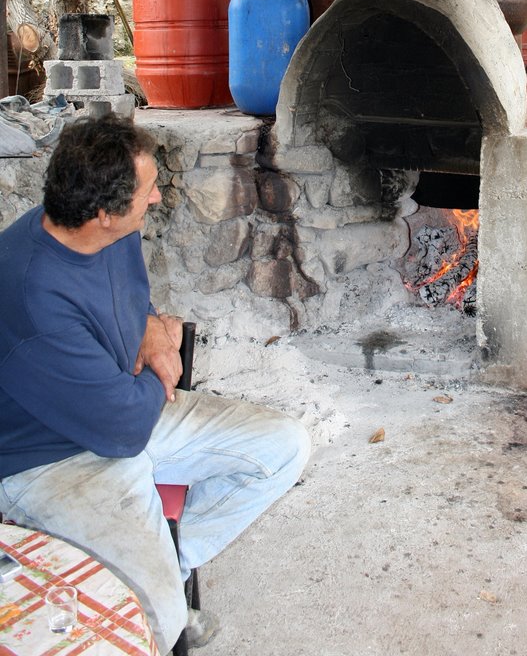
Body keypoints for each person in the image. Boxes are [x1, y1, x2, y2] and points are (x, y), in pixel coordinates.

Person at [0, 113, 311, 653]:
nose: (159, 199)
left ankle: (168, 561)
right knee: (154, 627)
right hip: (53, 459)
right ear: (103, 212)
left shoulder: (103, 232)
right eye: (149, 192)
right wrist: (162, 372)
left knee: (285, 446)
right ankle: (158, 590)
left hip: (119, 402)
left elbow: (127, 298)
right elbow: (122, 432)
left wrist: (149, 327)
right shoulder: (33, 296)